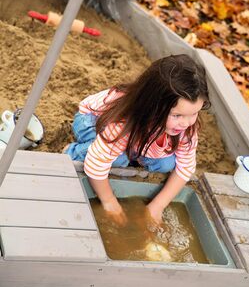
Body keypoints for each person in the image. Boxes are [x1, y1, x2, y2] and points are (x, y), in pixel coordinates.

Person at [65, 54, 210, 225]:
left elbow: (185, 167)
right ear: (152, 106)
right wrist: (109, 201)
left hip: (141, 137)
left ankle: (133, 153)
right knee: (119, 158)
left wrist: (157, 205)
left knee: (166, 164)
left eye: (194, 113)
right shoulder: (123, 122)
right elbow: (97, 163)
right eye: (177, 115)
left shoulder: (185, 127)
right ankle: (72, 151)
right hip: (93, 121)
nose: (186, 123)